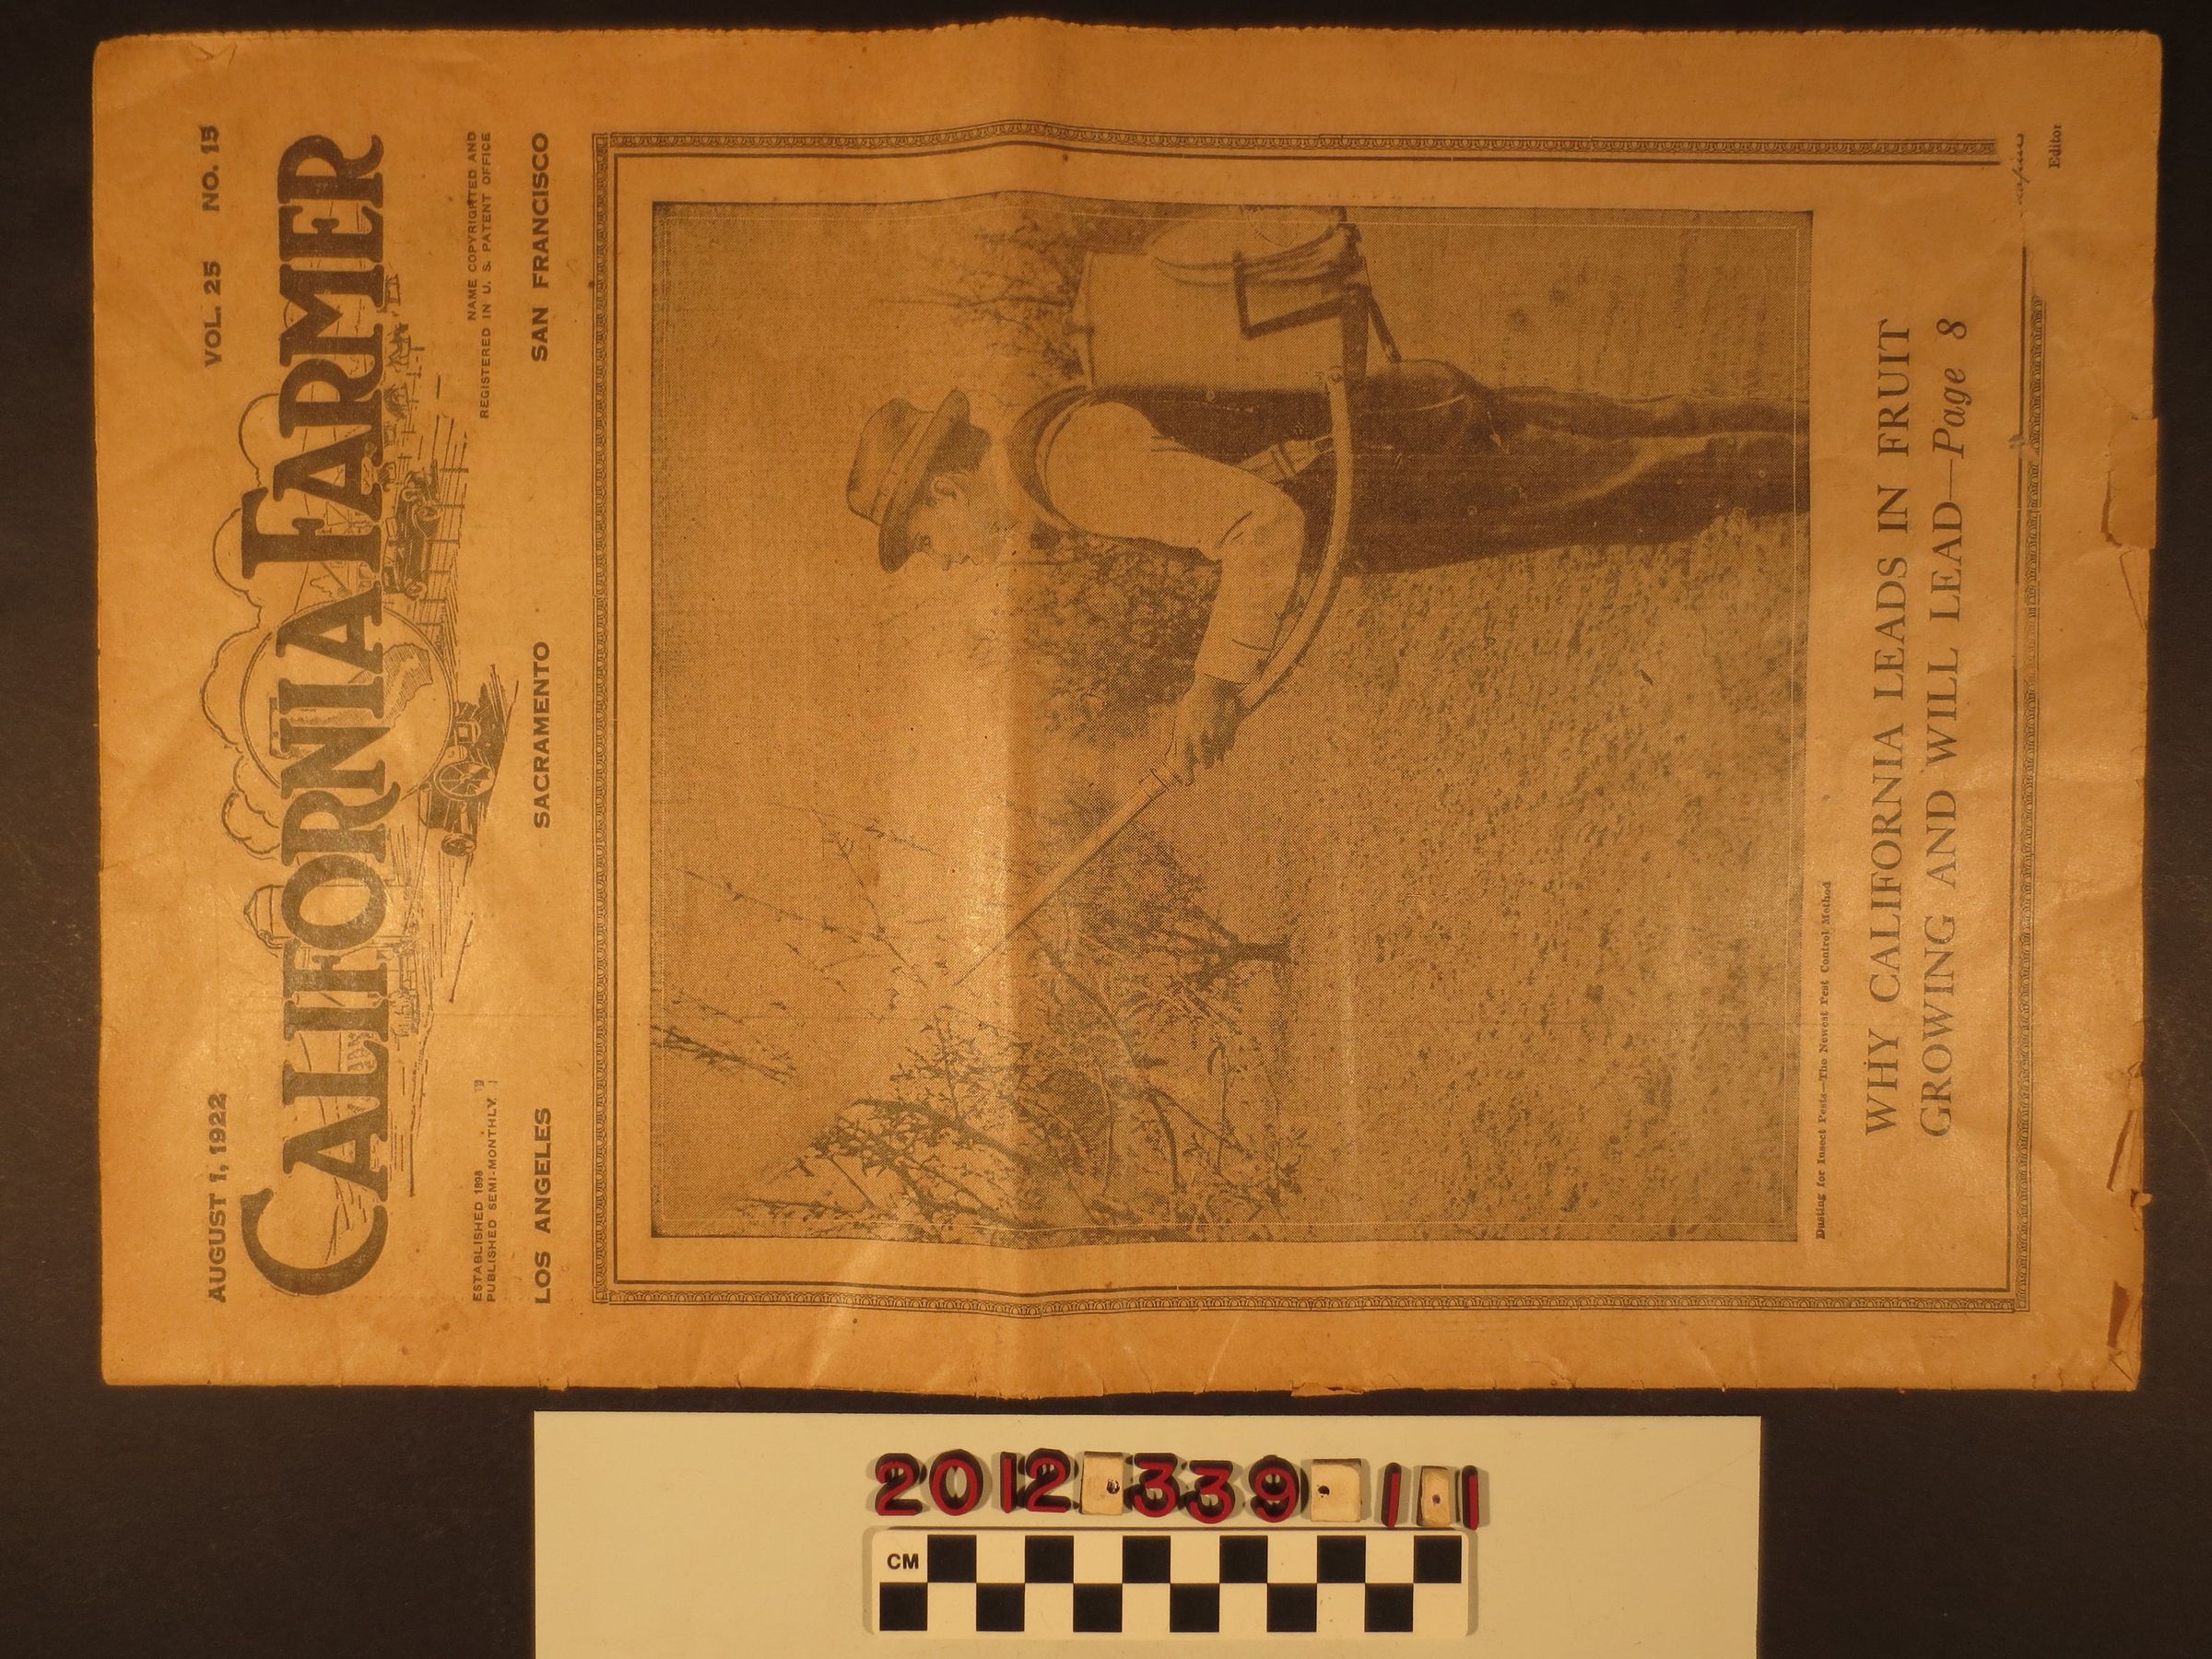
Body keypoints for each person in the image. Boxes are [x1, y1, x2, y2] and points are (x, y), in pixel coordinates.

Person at [847, 359, 1803, 783]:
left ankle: (1841, 468)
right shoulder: (1046, 437)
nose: (946, 559)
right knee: (1652, 430)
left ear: (945, 493)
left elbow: (1261, 525)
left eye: (927, 541)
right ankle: (1824, 426)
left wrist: (1213, 686)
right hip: (1396, 420)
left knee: (1642, 481)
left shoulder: (1071, 470)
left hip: (1396, 469)